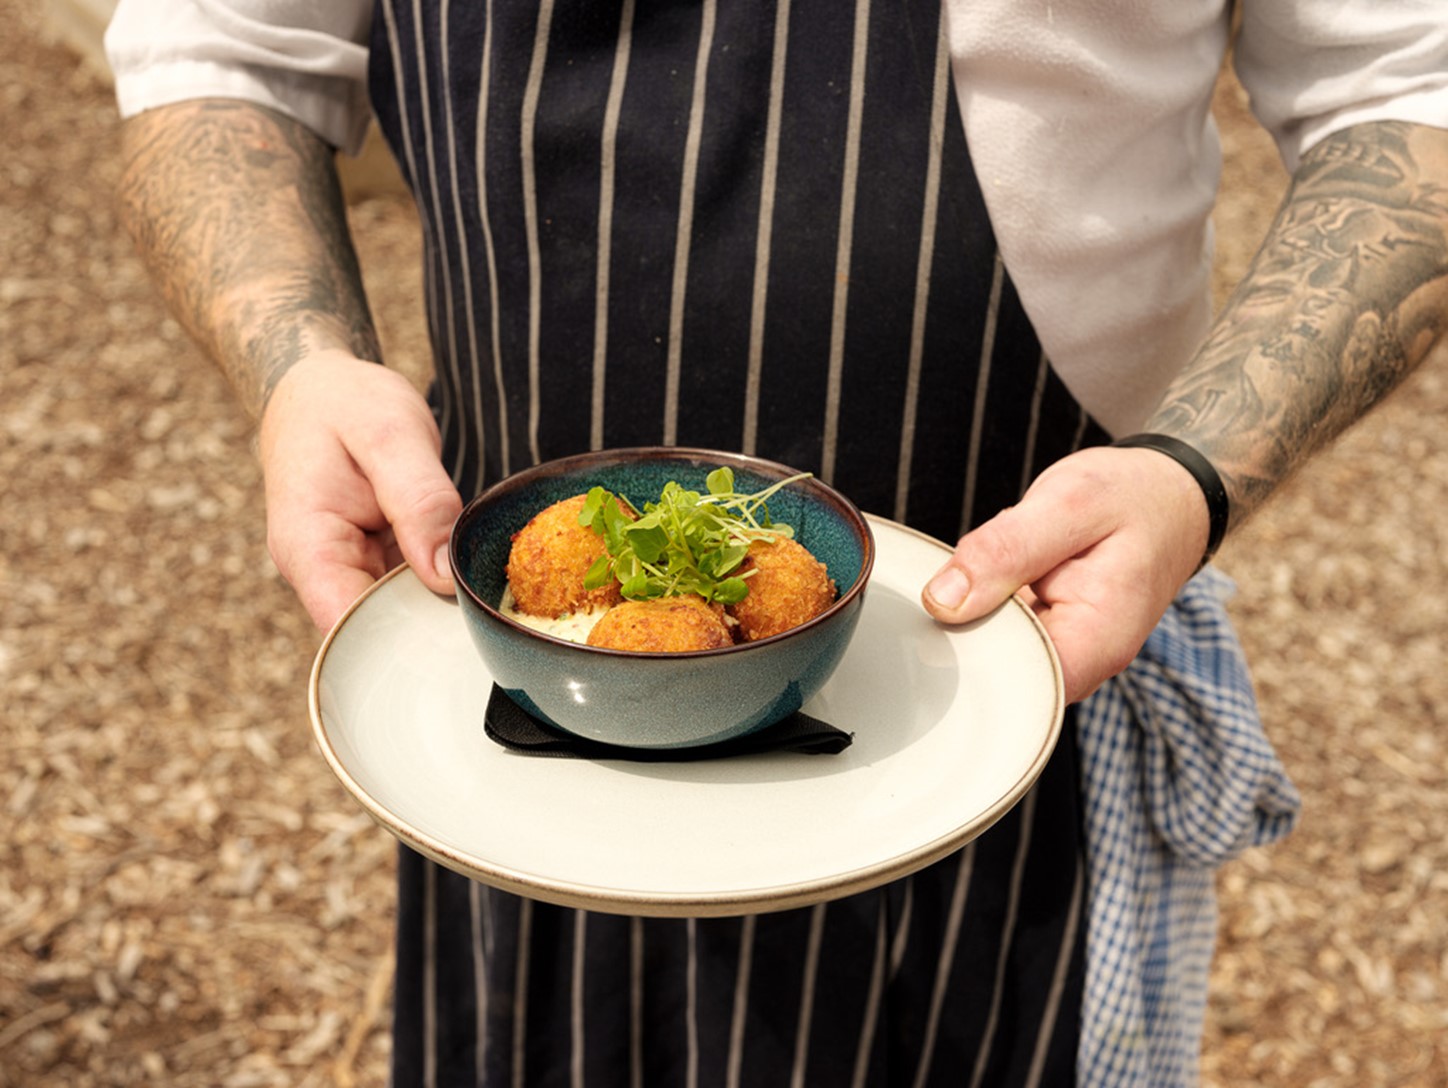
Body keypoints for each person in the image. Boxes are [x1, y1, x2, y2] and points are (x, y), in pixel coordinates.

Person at [104, 1, 1448, 1084]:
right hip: (517, 727)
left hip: (1005, 698)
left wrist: (1190, 474)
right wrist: (299, 367)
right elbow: (218, 48)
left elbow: (1411, 85)